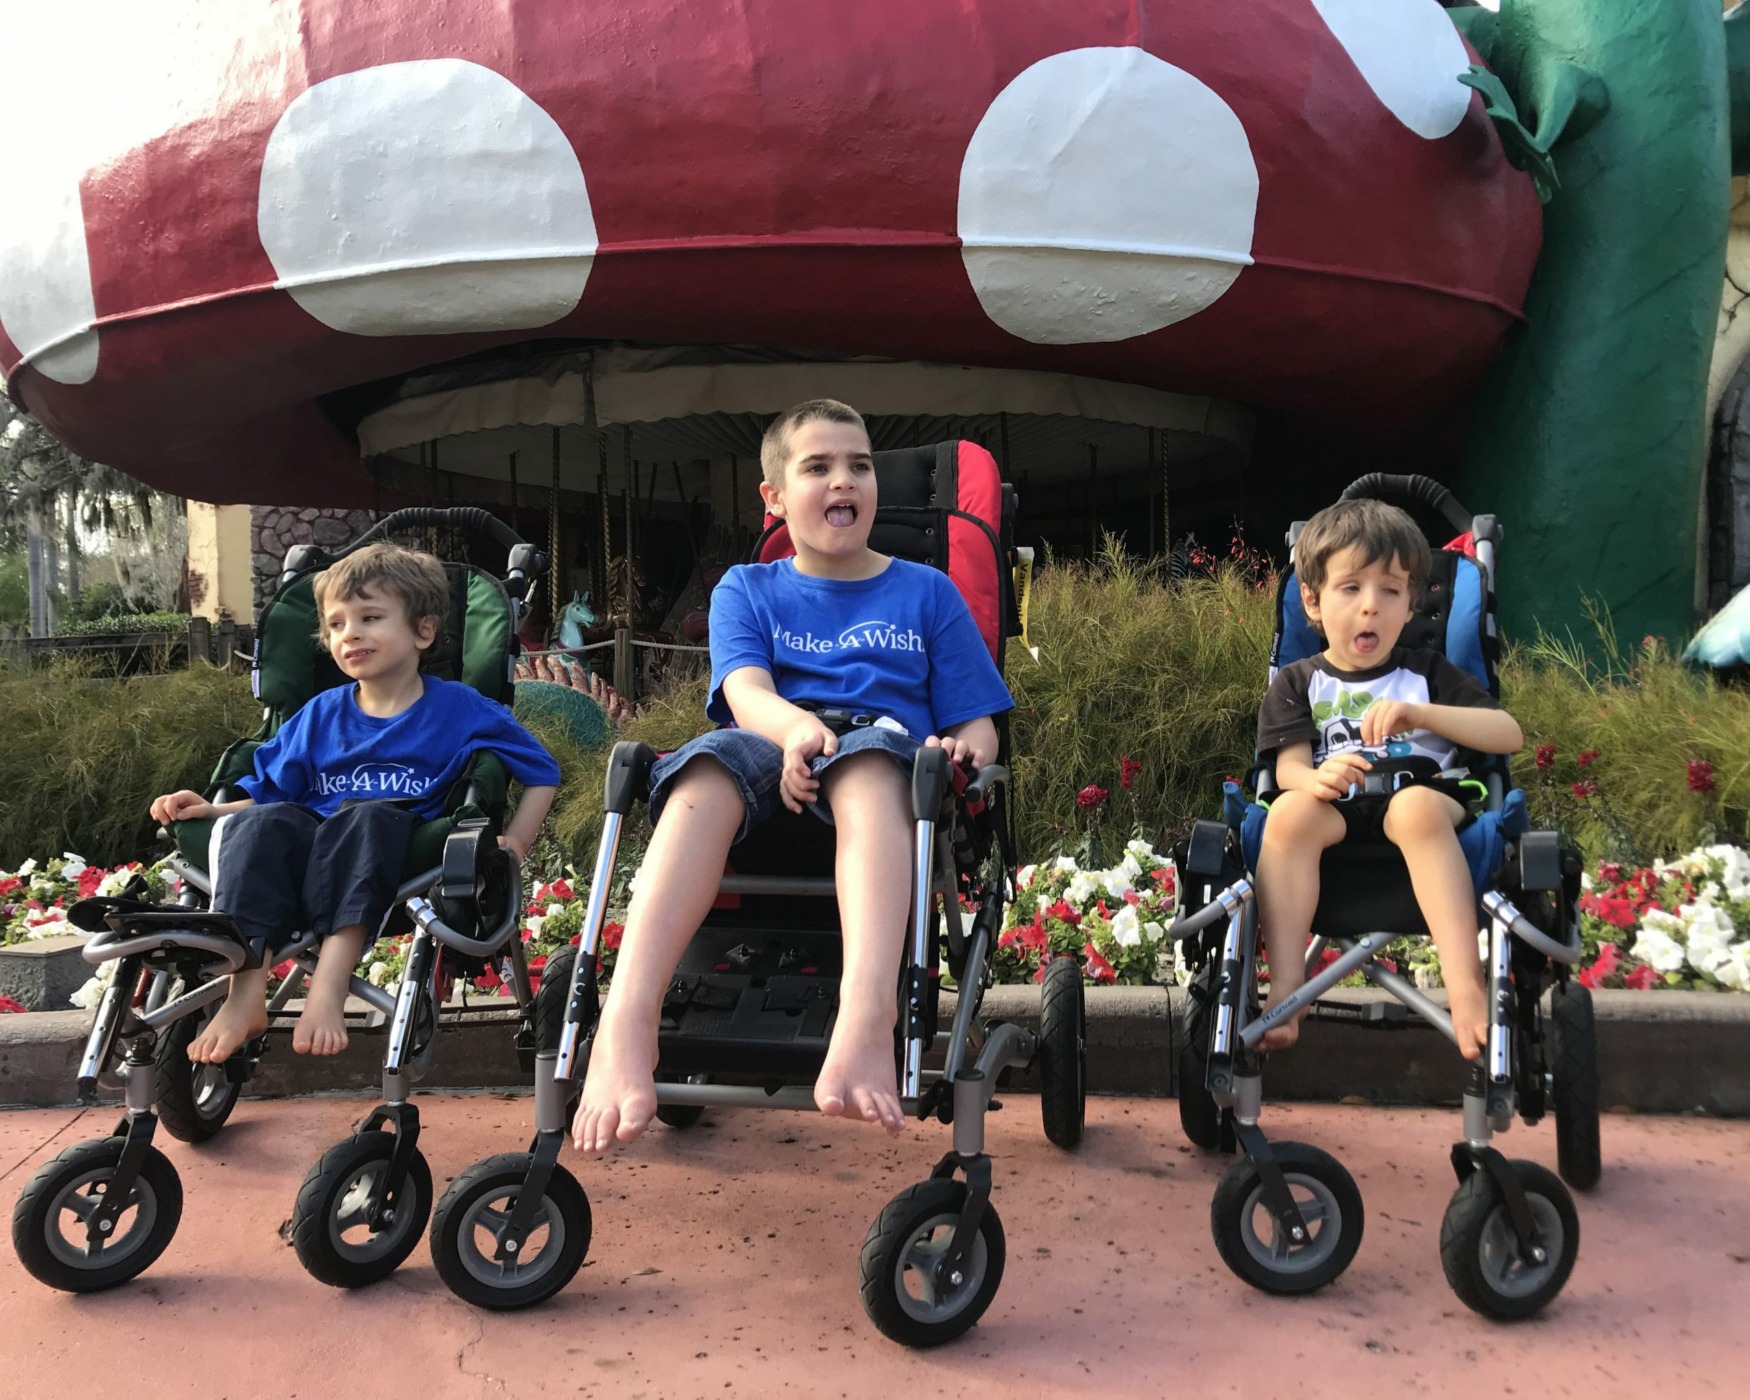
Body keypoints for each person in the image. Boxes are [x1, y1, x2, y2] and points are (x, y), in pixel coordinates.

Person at [573, 399, 1012, 1152]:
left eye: (859, 466)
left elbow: (979, 717)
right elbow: (745, 692)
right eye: (818, 467)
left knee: (874, 760)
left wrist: (968, 752)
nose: (843, 481)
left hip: (886, 759)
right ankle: (627, 1018)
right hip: (768, 753)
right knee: (703, 768)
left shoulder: (926, 593)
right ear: (774, 499)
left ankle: (867, 1014)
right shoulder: (747, 588)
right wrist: (794, 730)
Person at [149, 543, 560, 1063]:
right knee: (263, 824)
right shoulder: (320, 713)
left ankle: (330, 984)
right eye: (337, 624)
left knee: (362, 818)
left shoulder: (460, 708)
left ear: (423, 631)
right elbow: (268, 796)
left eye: (370, 617)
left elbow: (542, 771)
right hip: (308, 834)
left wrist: (516, 844)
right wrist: (209, 811)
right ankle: (246, 991)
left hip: (392, 835)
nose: (352, 634)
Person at [1251, 498, 1523, 1060]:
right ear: (1313, 601)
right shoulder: (1298, 683)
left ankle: (1466, 987)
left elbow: (1506, 735)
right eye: (1350, 588)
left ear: (1412, 605)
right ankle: (1284, 990)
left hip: (1426, 800)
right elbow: (1288, 769)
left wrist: (1424, 715)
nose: (1370, 607)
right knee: (1288, 810)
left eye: (1390, 591)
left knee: (1414, 809)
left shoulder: (1426, 673)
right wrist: (1316, 780)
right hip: (1338, 810)